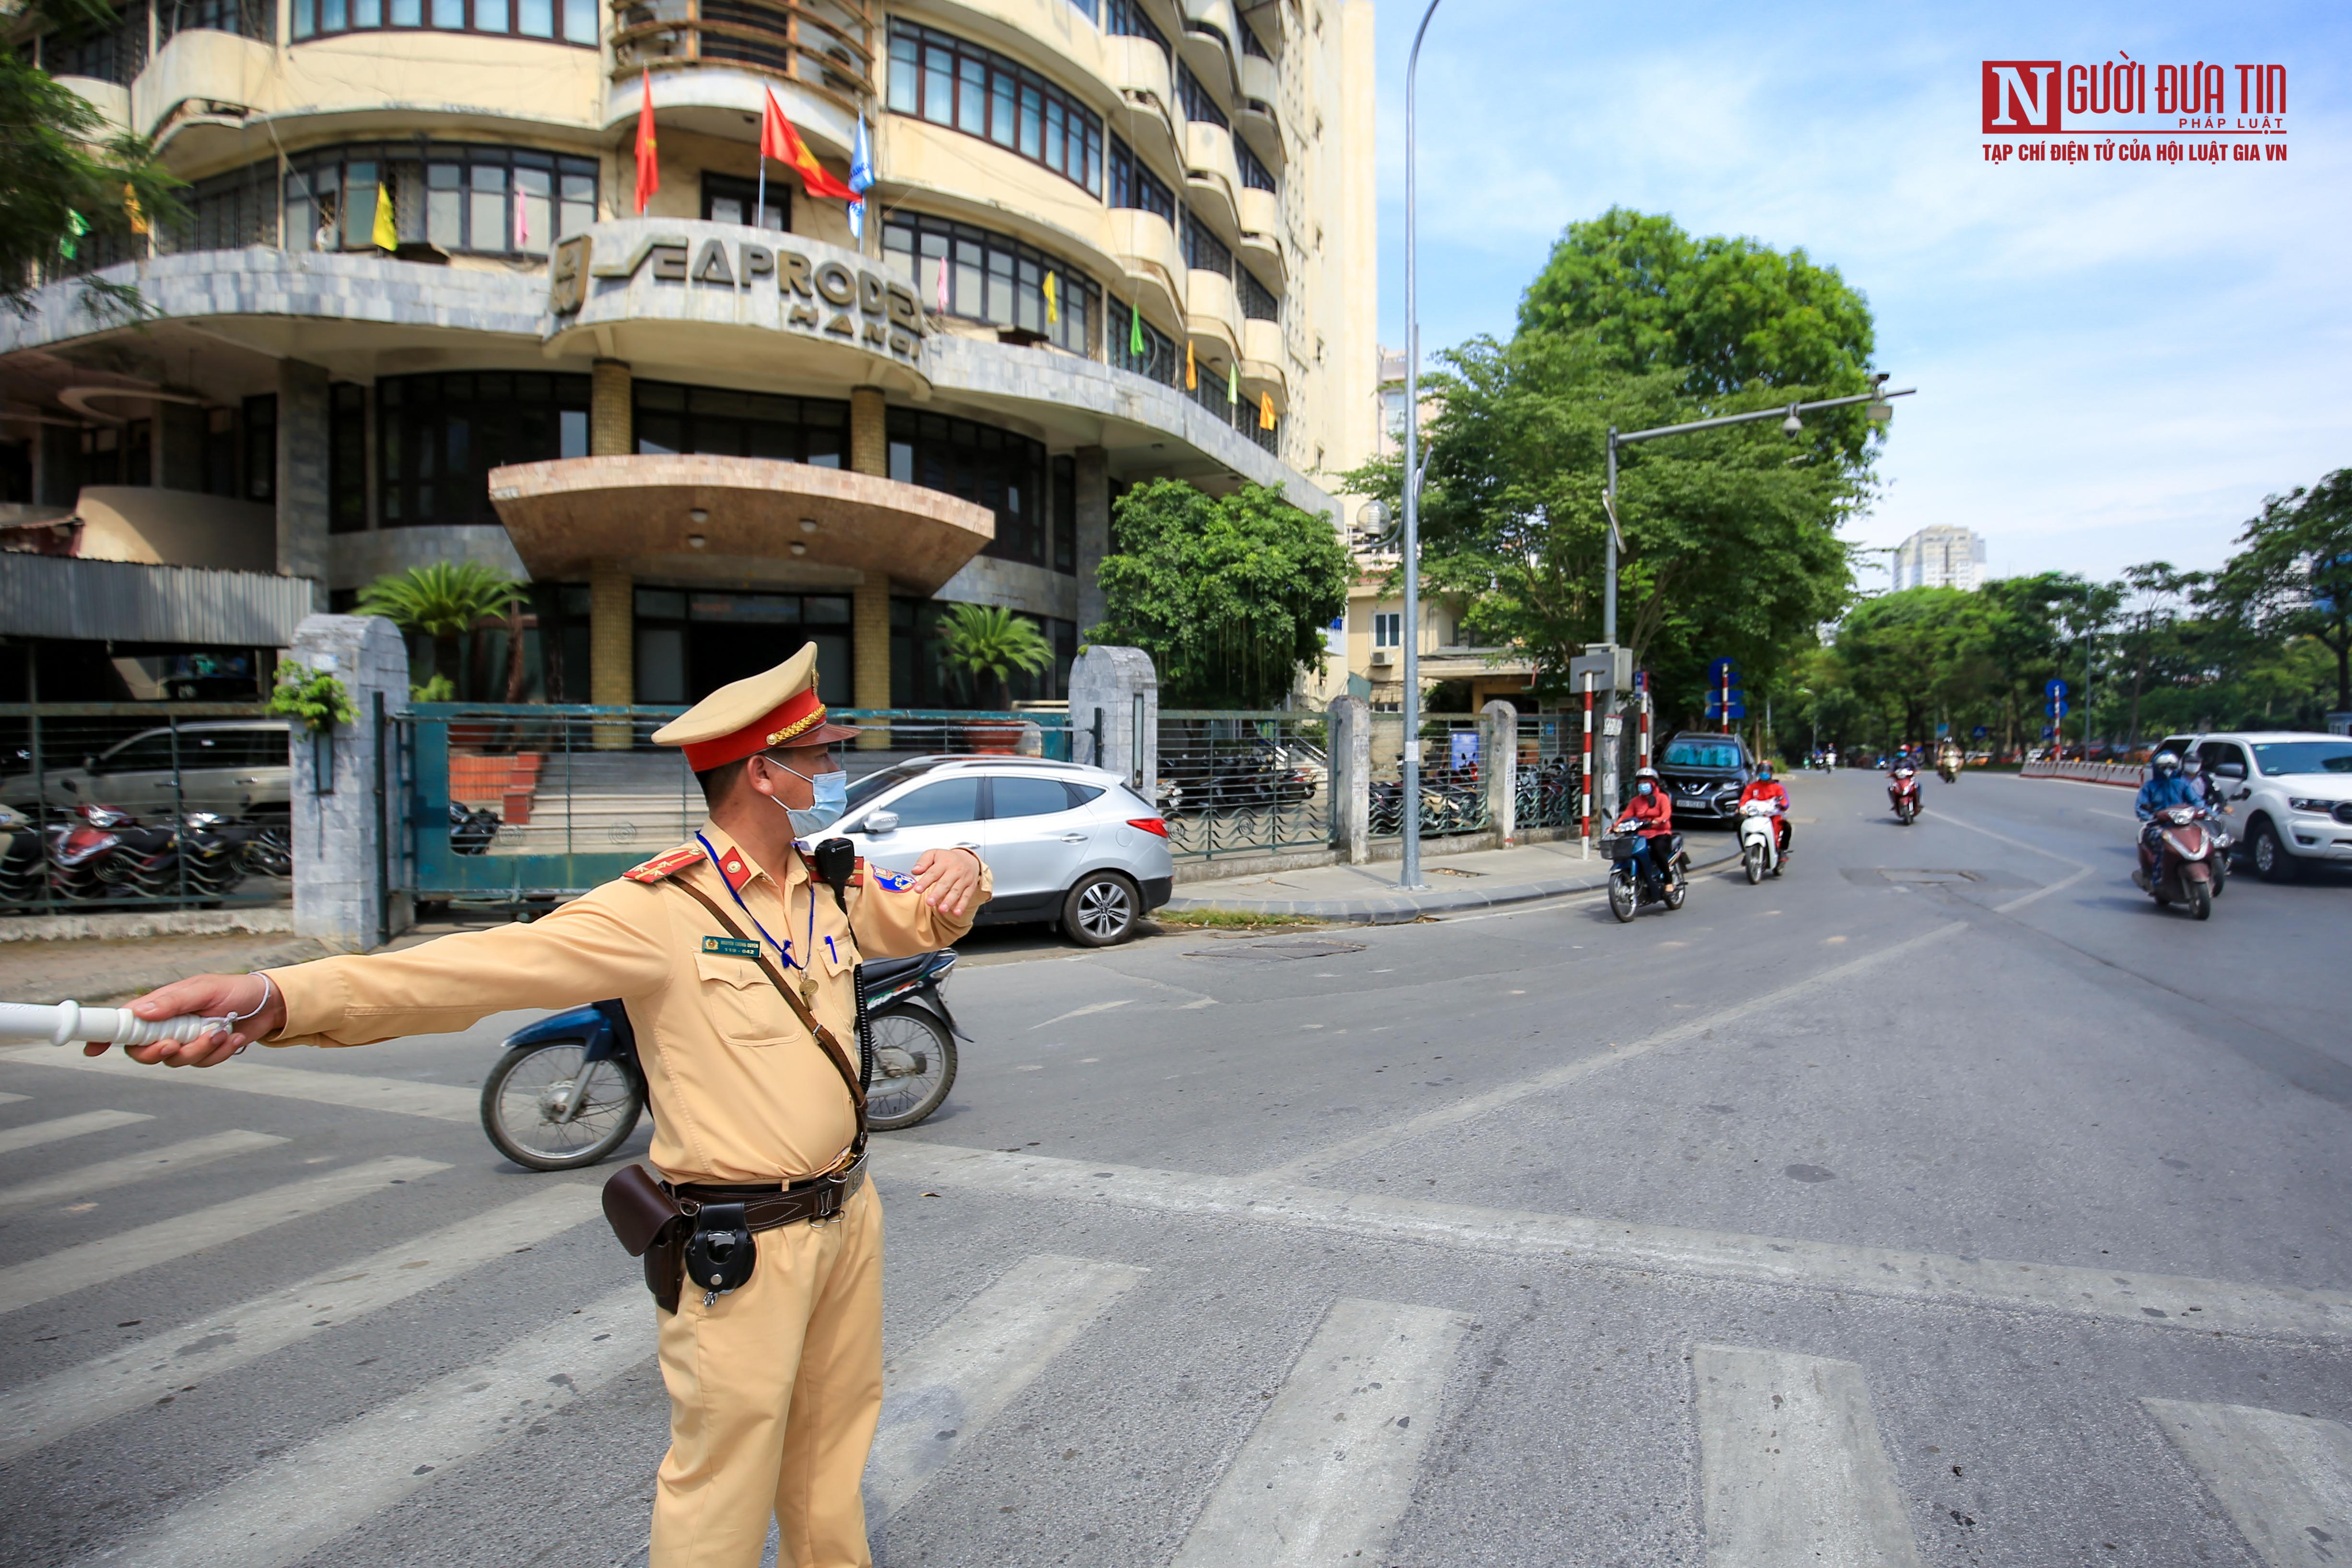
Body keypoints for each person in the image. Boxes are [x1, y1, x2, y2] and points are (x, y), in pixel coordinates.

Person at [106, 647, 990, 1568]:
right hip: (744, 1238)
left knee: (831, 1452)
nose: (833, 771)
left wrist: (967, 864)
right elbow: (468, 973)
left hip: (848, 1214)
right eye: (817, 755)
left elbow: (930, 916)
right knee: (723, 1475)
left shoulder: (832, 885)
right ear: (764, 772)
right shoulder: (658, 907)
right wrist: (274, 999)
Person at [2133, 749, 2204, 887]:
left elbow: (2197, 802)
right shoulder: (2150, 787)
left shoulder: (2182, 785)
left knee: (2203, 836)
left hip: (2183, 824)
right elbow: (2141, 808)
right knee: (2162, 842)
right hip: (2159, 825)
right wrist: (2152, 816)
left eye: (2171, 767)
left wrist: (2203, 812)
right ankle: (2158, 879)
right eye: (2164, 767)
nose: (2168, 770)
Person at [1615, 765, 1674, 889]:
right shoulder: (1636, 801)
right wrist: (1615, 826)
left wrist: (1658, 821)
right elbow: (1626, 816)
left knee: (1658, 851)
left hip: (1660, 833)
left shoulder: (1662, 798)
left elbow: (1667, 813)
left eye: (1646, 782)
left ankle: (1669, 882)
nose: (1643, 785)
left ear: (1653, 784)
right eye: (1641, 783)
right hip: (1641, 835)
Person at [1737, 761, 1792, 859]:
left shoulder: (1778, 787)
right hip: (1755, 816)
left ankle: (1782, 850)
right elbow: (1744, 800)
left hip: (1773, 816)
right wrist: (1740, 808)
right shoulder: (1751, 787)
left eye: (1767, 771)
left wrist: (1782, 805)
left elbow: (1785, 801)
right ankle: (1747, 853)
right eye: (1762, 771)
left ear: (1771, 773)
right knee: (1740, 825)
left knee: (1787, 827)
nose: (1764, 773)